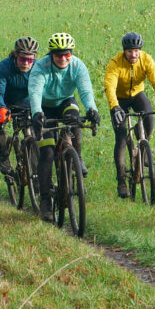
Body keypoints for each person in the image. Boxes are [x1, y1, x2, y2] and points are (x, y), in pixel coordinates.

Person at [28, 32, 100, 222]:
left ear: (71, 54)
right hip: (44, 107)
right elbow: (35, 92)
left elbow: (85, 90)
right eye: (58, 55)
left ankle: (76, 157)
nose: (63, 58)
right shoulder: (40, 67)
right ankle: (45, 202)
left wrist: (92, 109)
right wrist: (36, 113)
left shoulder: (77, 66)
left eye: (66, 54)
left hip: (65, 101)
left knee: (75, 120)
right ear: (51, 54)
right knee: (48, 153)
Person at [104, 32, 155, 198]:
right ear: (124, 51)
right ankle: (121, 181)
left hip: (137, 95)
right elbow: (110, 86)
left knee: (149, 116)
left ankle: (142, 147)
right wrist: (114, 107)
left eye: (136, 51)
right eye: (129, 51)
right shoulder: (115, 63)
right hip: (119, 99)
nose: (133, 55)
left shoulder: (146, 59)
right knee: (120, 137)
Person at [0, 36, 39, 175]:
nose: (26, 63)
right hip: (5, 101)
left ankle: (34, 175)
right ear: (16, 55)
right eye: (23, 59)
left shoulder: (38, 68)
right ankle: (4, 156)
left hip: (27, 102)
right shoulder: (4, 67)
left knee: (34, 136)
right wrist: (1, 107)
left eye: (30, 60)